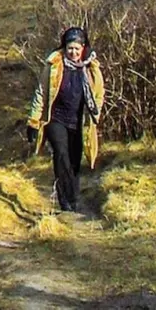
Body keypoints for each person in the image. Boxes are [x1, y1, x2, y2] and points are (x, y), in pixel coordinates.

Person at [26, 26, 106, 213]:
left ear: (83, 48)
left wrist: (95, 116)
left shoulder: (91, 68)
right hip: (56, 119)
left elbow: (99, 95)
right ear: (64, 47)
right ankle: (65, 200)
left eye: (77, 49)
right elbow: (42, 93)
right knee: (61, 155)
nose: (73, 52)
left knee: (74, 161)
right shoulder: (54, 65)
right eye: (70, 48)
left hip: (78, 122)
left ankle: (71, 194)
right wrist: (33, 121)